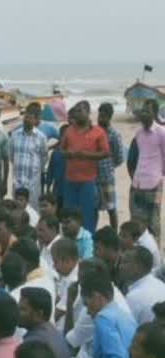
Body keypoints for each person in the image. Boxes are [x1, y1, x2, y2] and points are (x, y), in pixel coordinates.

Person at [76, 274, 140, 358]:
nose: (87, 311)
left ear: (97, 296)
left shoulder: (104, 318)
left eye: (87, 304)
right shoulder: (124, 315)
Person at [61, 100, 110, 233]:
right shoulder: (69, 131)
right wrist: (68, 154)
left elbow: (106, 153)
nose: (76, 113)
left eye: (80, 111)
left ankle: (89, 245)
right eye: (75, 111)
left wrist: (87, 155)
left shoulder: (98, 132)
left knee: (88, 218)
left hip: (88, 182)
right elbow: (62, 150)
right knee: (70, 217)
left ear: (88, 113)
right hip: (70, 181)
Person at [17, 287, 76, 358]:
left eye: (23, 309)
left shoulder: (34, 344)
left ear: (39, 314)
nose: (17, 313)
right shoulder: (52, 331)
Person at [128, 98, 165, 242]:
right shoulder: (138, 133)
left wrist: (159, 175)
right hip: (137, 183)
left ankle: (156, 258)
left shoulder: (161, 132)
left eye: (147, 111)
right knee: (136, 223)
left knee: (153, 224)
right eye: (142, 110)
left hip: (154, 184)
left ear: (155, 113)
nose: (143, 113)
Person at [9, 107, 48, 210]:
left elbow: (44, 157)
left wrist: (36, 171)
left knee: (32, 210)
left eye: (30, 118)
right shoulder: (15, 135)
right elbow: (11, 156)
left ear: (35, 120)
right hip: (17, 181)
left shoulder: (41, 137)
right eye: (25, 117)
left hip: (33, 183)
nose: (27, 120)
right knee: (17, 210)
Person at [96, 102, 125, 231]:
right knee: (93, 208)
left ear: (110, 116)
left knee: (111, 208)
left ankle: (114, 233)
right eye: (99, 114)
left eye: (104, 115)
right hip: (93, 177)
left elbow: (119, 158)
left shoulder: (114, 134)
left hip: (107, 177)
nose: (100, 117)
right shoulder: (93, 132)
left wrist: (108, 165)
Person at [121, 246, 165, 325]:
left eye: (125, 262)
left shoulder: (134, 297)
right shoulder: (161, 285)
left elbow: (126, 330)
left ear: (137, 267)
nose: (121, 266)